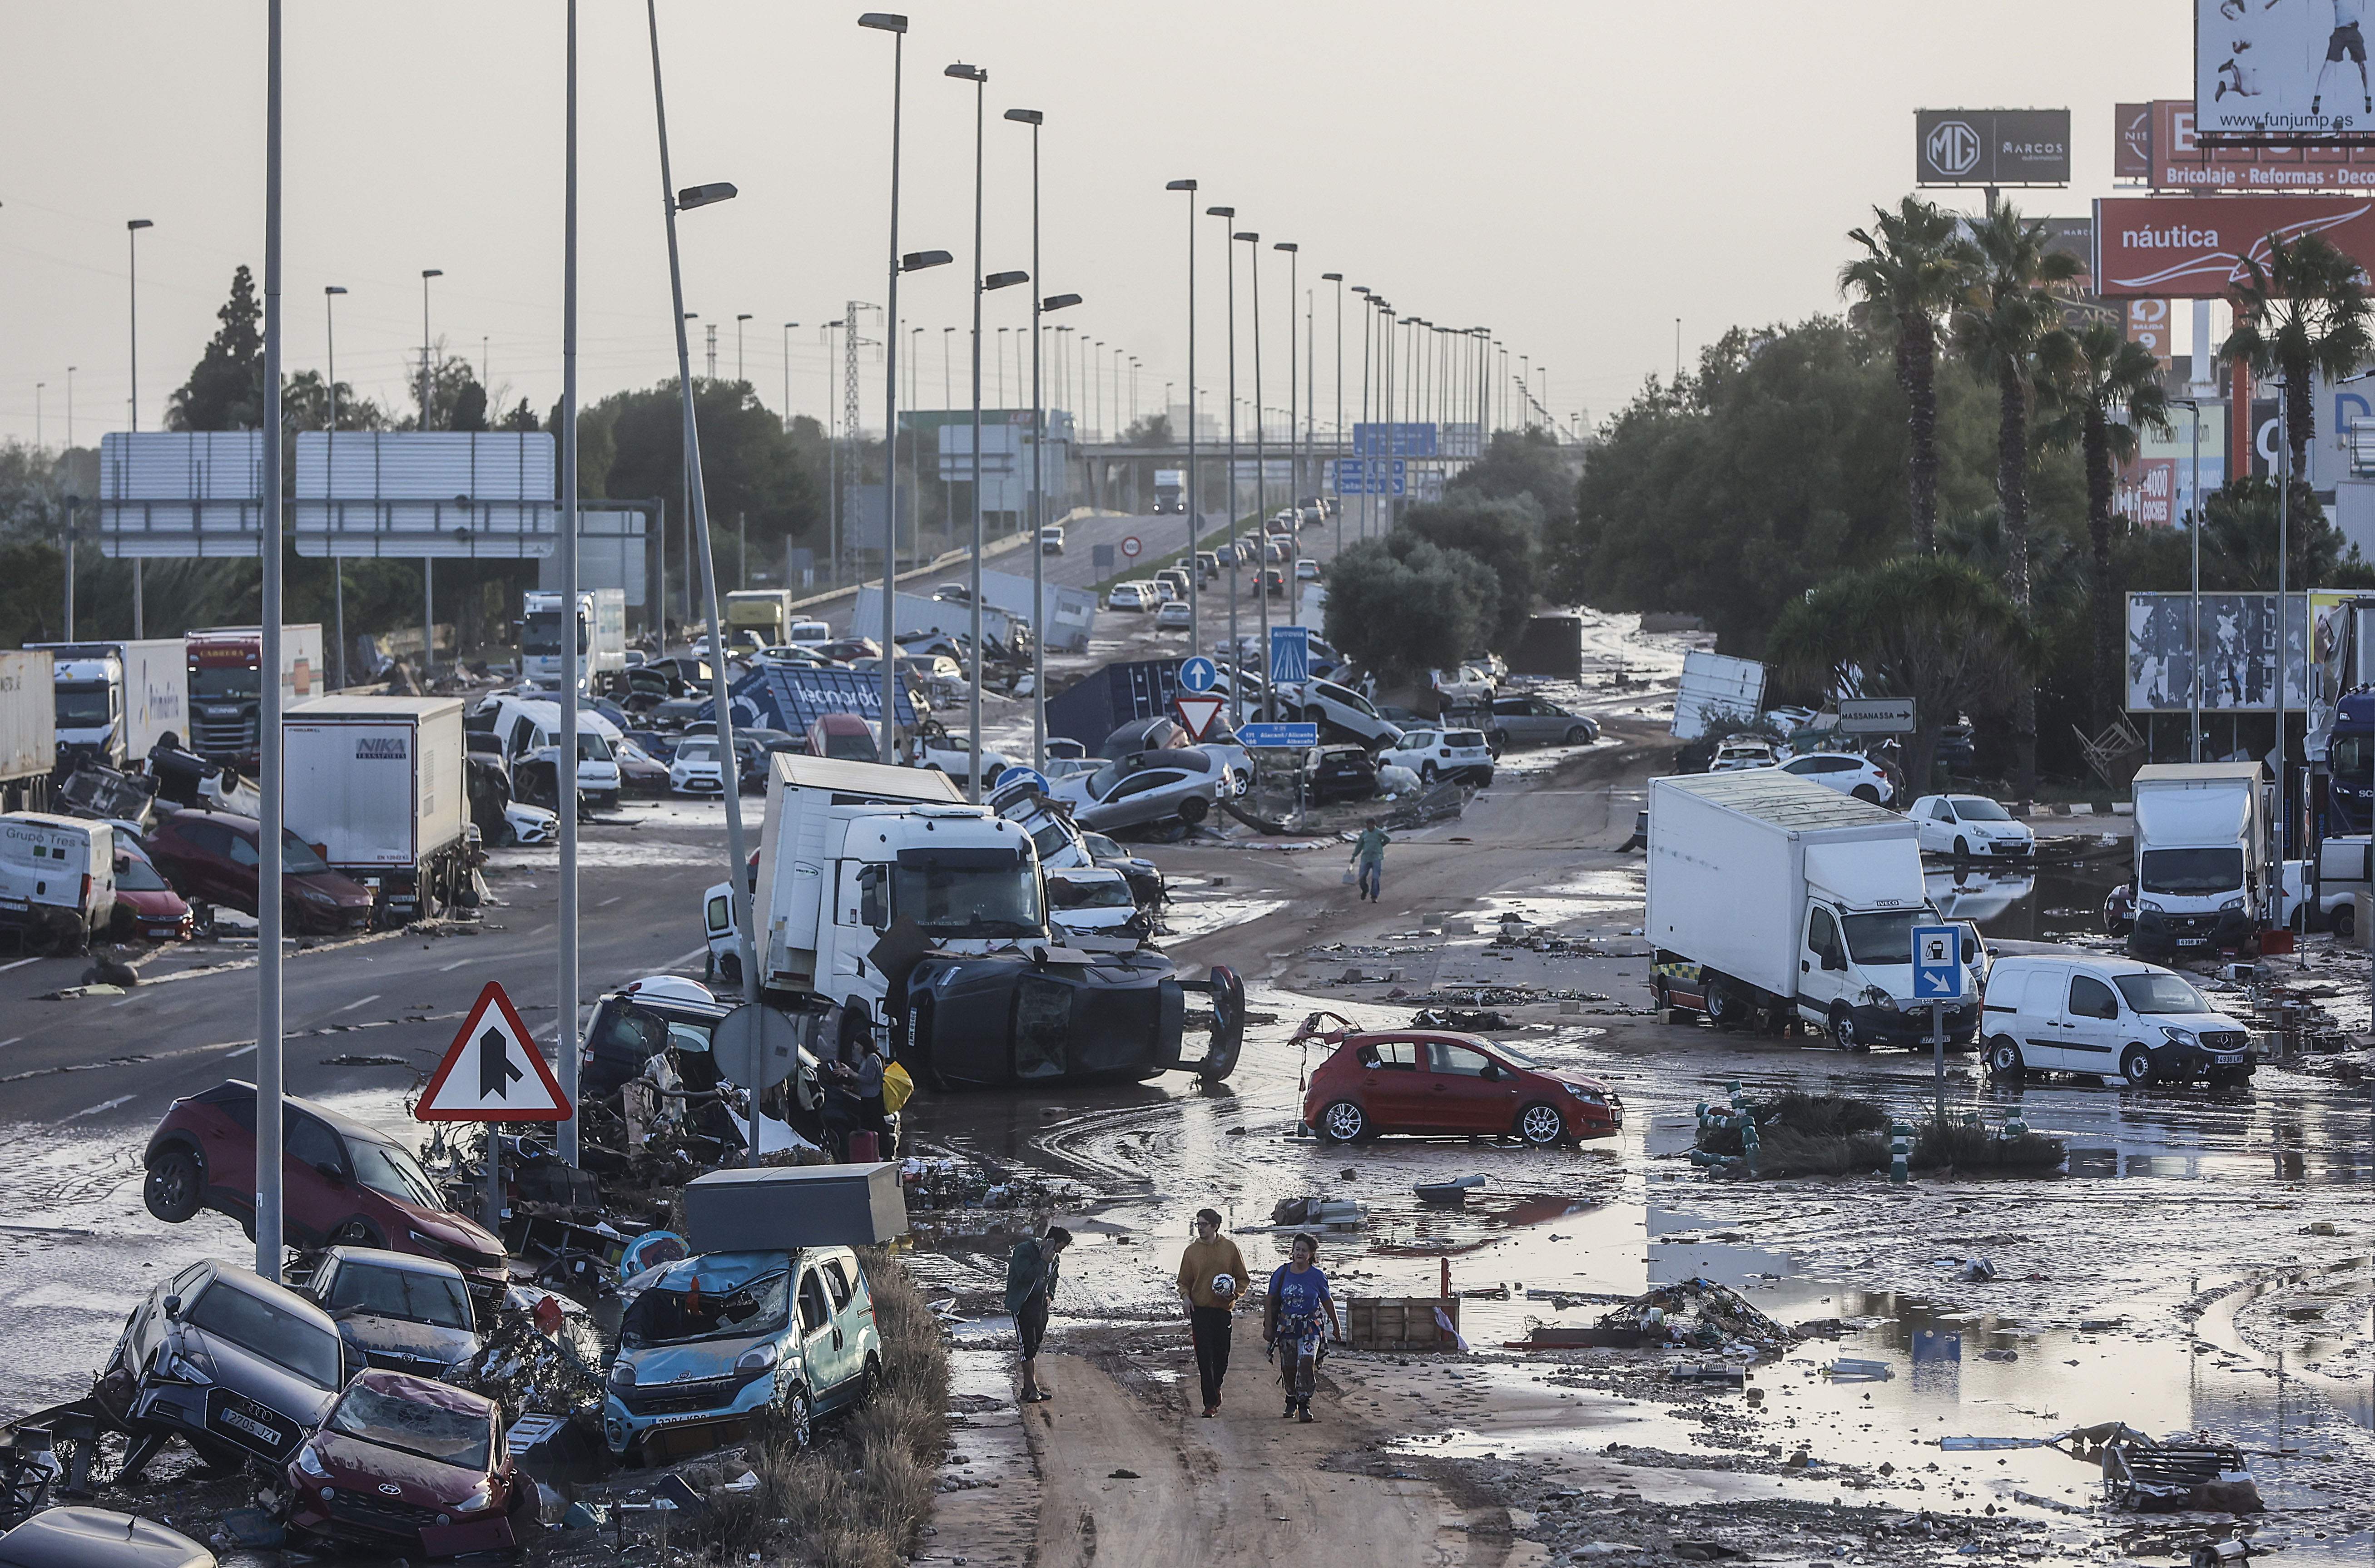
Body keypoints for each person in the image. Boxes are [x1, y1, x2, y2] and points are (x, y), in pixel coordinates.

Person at [1176, 1208, 1250, 1418]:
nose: (1199, 1228)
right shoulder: (1191, 1252)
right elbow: (1184, 1281)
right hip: (1199, 1311)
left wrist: (1234, 1294)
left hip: (1222, 1311)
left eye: (1204, 1224)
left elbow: (1243, 1278)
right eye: (1198, 1224)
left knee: (1221, 1356)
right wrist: (1186, 1297)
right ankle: (1209, 1403)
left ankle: (1216, 1386)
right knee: (1204, 1357)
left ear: (1215, 1226)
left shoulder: (1230, 1248)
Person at [1263, 1232, 1340, 1422]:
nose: (1300, 1253)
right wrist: (1268, 1328)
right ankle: (1291, 1399)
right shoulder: (1281, 1273)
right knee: (1289, 1366)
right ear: (1293, 1251)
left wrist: (1337, 1326)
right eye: (1297, 1249)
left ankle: (1304, 1404)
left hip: (1310, 1328)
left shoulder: (1317, 1276)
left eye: (1304, 1251)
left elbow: (1327, 1301)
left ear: (1311, 1254)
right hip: (1287, 1327)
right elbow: (1270, 1299)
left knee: (1306, 1362)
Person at [1006, 1224, 1071, 1405]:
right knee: (1026, 1344)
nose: (1060, 1253)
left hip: (1040, 1306)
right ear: (1050, 1241)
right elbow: (1025, 1276)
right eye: (1060, 1247)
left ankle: (1028, 1389)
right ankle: (1033, 1388)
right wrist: (1043, 1261)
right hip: (1022, 1304)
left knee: (1035, 1344)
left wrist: (1051, 1294)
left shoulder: (1054, 1259)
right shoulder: (1024, 1251)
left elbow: (1054, 1278)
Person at [2315, 0, 2371, 118]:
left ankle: (2368, 97)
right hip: (2340, 32)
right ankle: (2317, 97)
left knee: (2364, 65)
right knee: (2328, 64)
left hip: (2353, 31)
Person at [1351, 820, 1389, 903]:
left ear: (1374, 825)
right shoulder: (1365, 833)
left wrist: (1381, 846)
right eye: (1368, 825)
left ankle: (1374, 896)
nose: (1369, 827)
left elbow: (1388, 839)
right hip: (1366, 858)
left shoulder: (1379, 832)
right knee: (1362, 877)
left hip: (1376, 857)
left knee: (1375, 878)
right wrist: (1354, 856)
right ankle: (1365, 890)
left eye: (1371, 825)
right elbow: (1360, 845)